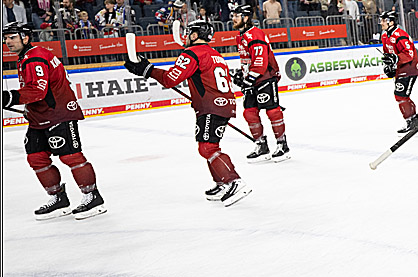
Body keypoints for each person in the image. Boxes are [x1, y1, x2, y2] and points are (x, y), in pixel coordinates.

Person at [124, 20, 252, 205]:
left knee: (208, 147)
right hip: (223, 104)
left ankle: (234, 181)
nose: (185, 36)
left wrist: (148, 70)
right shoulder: (215, 54)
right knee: (208, 145)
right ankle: (222, 183)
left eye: (188, 32)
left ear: (194, 35)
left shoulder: (191, 53)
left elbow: (170, 79)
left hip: (211, 106)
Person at [2, 22, 106, 220]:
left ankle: (92, 197)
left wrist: (9, 97)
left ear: (25, 37)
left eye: (12, 37)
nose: (7, 41)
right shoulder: (27, 56)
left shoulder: (35, 58)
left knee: (71, 156)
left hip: (58, 113)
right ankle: (59, 199)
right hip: (39, 115)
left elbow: (38, 91)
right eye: (5, 38)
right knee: (36, 157)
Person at [231, 5, 290, 163]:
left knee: (273, 112)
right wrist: (242, 74)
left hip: (265, 77)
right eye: (233, 15)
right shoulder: (240, 36)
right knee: (249, 113)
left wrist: (248, 79)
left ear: (246, 18)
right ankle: (261, 145)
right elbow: (249, 61)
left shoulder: (255, 34)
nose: (233, 18)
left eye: (237, 15)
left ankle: (282, 145)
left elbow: (260, 62)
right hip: (253, 78)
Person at [380, 9, 418, 133]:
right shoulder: (384, 35)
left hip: (409, 68)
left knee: (401, 95)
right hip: (401, 68)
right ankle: (413, 119)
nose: (381, 23)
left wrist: (396, 58)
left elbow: (409, 54)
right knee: (400, 95)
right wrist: (389, 66)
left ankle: (411, 120)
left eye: (383, 21)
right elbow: (388, 54)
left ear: (391, 22)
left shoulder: (400, 35)